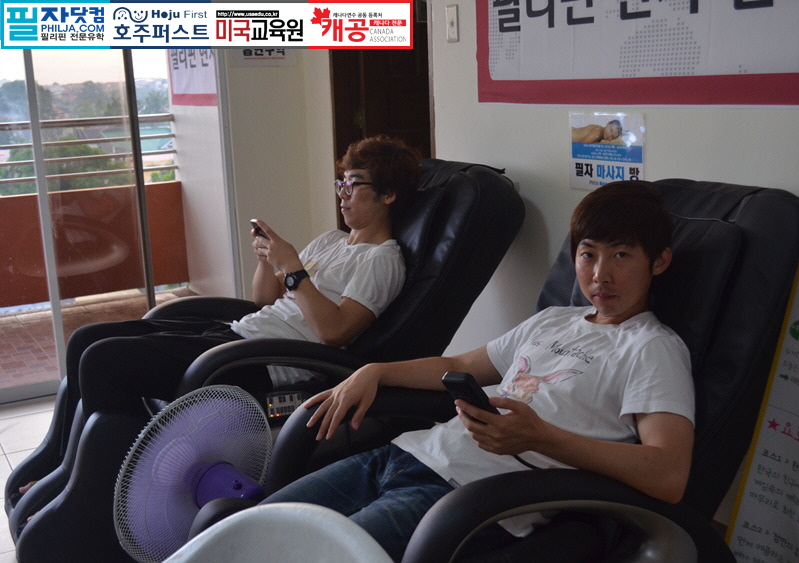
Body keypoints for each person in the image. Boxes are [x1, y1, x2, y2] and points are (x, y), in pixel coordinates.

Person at [258, 181, 695, 561]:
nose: (601, 275)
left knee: (317, 554)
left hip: (468, 498)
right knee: (259, 529)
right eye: (588, 254)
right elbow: (460, 365)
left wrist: (541, 438)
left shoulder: (653, 348)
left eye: (621, 255)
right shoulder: (554, 319)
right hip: (403, 455)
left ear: (658, 262)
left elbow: (668, 474)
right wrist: (374, 371)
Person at [14, 134, 420, 498]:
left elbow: (335, 332)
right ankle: (63, 465)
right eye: (340, 182)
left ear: (388, 195)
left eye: (354, 184)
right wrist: (269, 261)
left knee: (102, 360)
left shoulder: (383, 261)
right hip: (241, 335)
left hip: (265, 361)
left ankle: (99, 482)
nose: (342, 193)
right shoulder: (331, 240)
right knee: (85, 339)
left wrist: (292, 269)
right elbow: (263, 300)